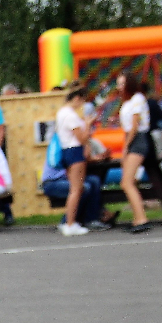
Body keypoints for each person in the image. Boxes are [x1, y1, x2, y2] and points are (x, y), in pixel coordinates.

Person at [53, 89, 93, 237]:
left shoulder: (61, 113)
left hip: (66, 150)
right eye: (81, 101)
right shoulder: (70, 115)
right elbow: (82, 138)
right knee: (76, 189)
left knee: (75, 189)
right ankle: (70, 223)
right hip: (74, 150)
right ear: (77, 98)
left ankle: (70, 221)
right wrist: (88, 124)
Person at [117, 72, 152, 233]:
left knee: (127, 182)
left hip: (138, 139)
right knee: (128, 181)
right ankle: (137, 217)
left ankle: (141, 218)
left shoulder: (137, 99)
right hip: (132, 139)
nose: (119, 87)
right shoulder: (126, 102)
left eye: (122, 83)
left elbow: (135, 126)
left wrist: (125, 147)